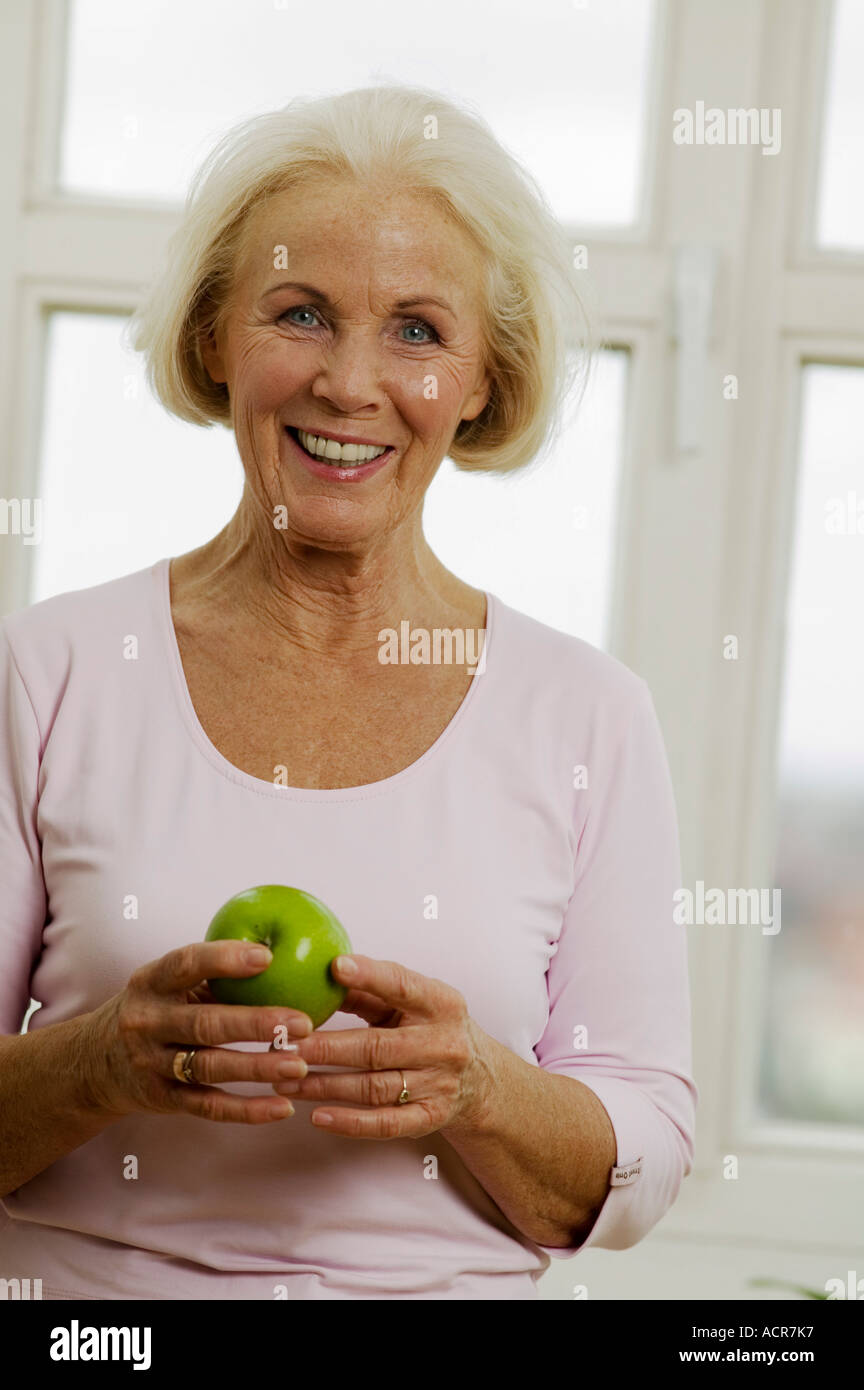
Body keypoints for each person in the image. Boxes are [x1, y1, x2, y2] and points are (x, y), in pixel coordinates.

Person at [0, 84, 697, 1300]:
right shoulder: (49, 671)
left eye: (420, 331)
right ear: (218, 338)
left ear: (483, 379)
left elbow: (636, 1166)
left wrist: (480, 1088)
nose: (350, 382)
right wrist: (104, 1062)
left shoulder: (589, 714)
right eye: (302, 314)